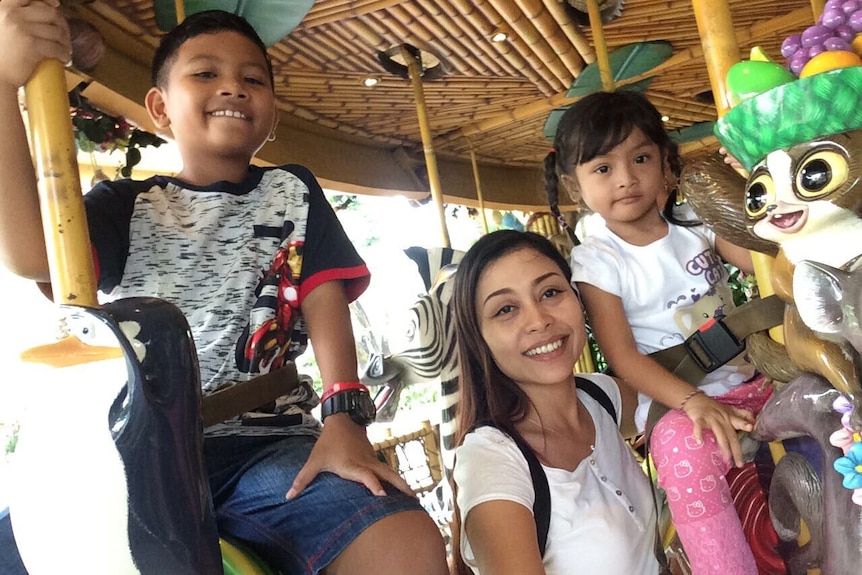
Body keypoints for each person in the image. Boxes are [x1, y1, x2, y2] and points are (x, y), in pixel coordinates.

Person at [0, 3, 447, 574]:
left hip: (269, 443)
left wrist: (342, 419)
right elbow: (28, 252)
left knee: (403, 539)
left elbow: (323, 297)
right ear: (160, 108)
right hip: (143, 450)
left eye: (253, 78)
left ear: (272, 113)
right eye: (206, 73)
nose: (232, 87)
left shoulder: (291, 192)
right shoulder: (126, 206)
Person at [545, 90, 772, 575]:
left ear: (666, 164)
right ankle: (725, 567)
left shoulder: (695, 222)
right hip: (681, 405)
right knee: (678, 452)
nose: (626, 179)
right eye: (603, 169)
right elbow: (623, 356)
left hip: (756, 382)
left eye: (641, 158)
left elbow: (762, 264)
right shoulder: (599, 259)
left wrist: (741, 191)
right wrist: (692, 401)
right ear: (573, 183)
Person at [450, 230, 659, 575]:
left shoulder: (599, 398)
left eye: (550, 292)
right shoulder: (491, 459)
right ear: (479, 340)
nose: (539, 320)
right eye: (506, 309)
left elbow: (674, 398)